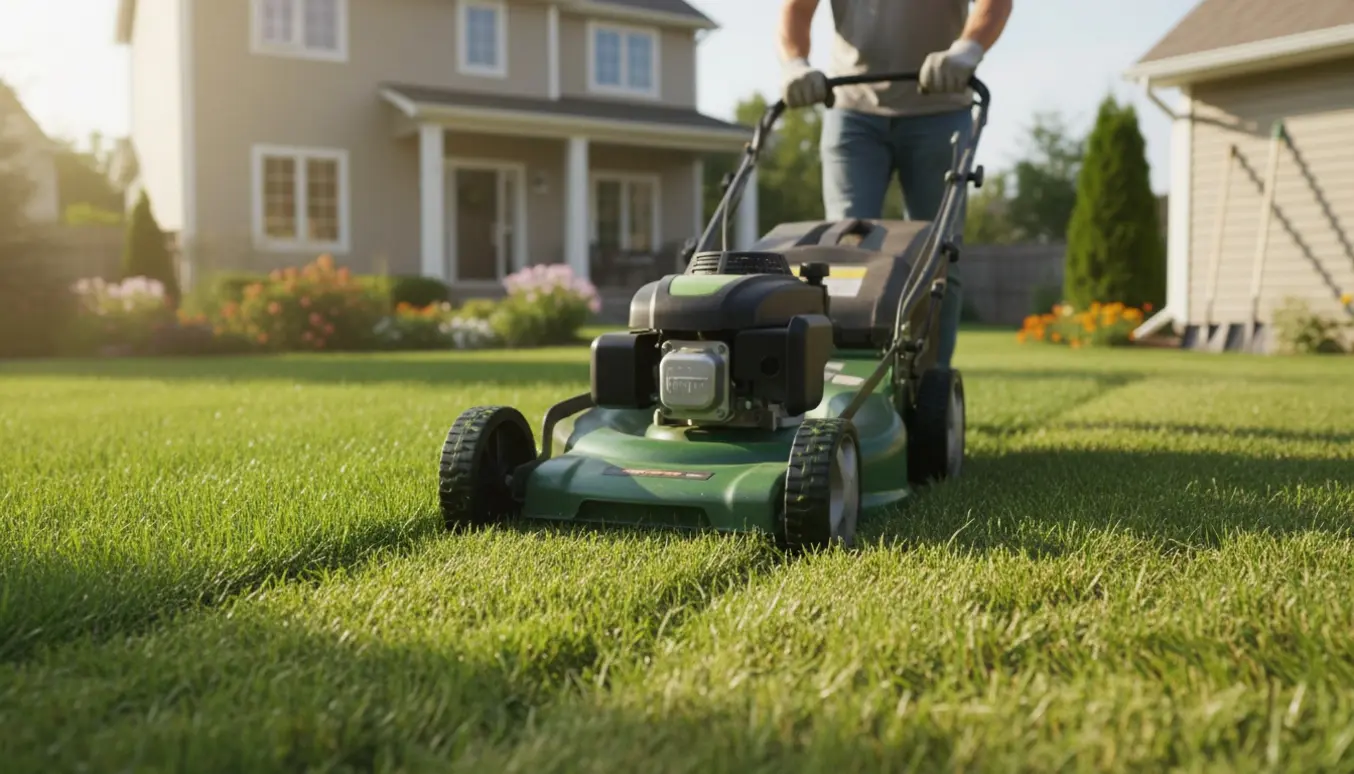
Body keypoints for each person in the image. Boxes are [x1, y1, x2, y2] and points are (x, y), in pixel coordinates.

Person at [778, 0, 1012, 370]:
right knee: (844, 250)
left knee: (939, 254)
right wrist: (795, 64)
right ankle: (847, 375)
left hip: (941, 107)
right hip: (852, 111)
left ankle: (930, 381)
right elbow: (797, 7)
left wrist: (968, 49)